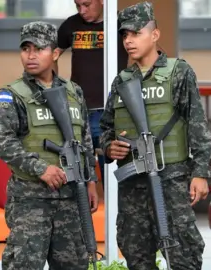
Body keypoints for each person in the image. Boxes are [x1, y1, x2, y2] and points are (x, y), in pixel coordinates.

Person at [99, 2, 211, 270]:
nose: (128, 41)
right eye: (124, 35)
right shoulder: (121, 81)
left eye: (136, 33)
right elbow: (106, 127)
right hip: (132, 187)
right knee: (136, 255)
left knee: (182, 254)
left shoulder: (179, 73)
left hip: (171, 179)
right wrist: (108, 147)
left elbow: (197, 124)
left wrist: (200, 172)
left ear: (155, 35)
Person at [0, 21, 99, 270]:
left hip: (72, 198)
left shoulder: (74, 92)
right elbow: (4, 142)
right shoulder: (12, 95)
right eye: (26, 48)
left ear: (55, 53)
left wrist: (91, 180)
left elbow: (83, 139)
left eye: (39, 49)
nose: (31, 55)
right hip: (31, 200)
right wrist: (41, 168)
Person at [55, 0, 129, 187]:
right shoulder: (71, 25)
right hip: (79, 110)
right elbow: (51, 54)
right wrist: (55, 88)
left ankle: (113, 216)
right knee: (78, 174)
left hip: (111, 110)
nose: (82, 11)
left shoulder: (121, 23)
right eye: (78, 5)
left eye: (87, 5)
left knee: (113, 177)